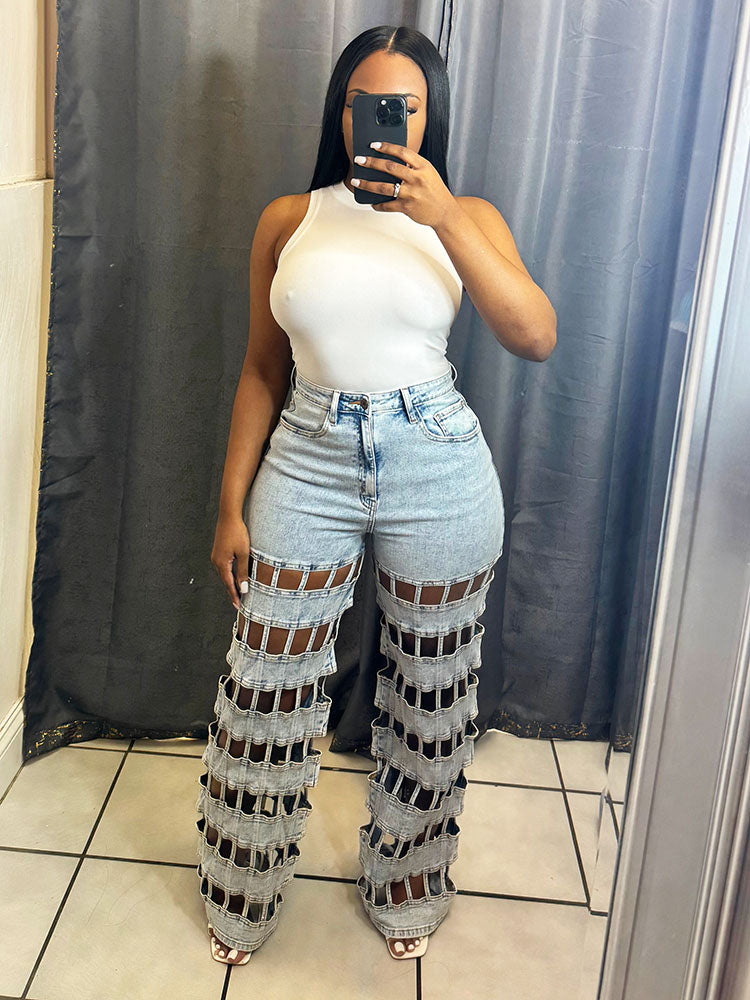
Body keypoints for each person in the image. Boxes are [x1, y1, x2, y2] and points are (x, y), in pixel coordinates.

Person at [196, 23, 556, 967]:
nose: (381, 122)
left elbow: (534, 334)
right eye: (364, 104)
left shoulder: (468, 216)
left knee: (431, 699)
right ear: (342, 111)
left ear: (430, 117)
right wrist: (229, 506)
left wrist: (443, 217)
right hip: (307, 453)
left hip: (436, 457)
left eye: (404, 106)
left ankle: (406, 886)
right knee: (264, 690)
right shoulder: (290, 218)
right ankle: (241, 893)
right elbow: (260, 370)